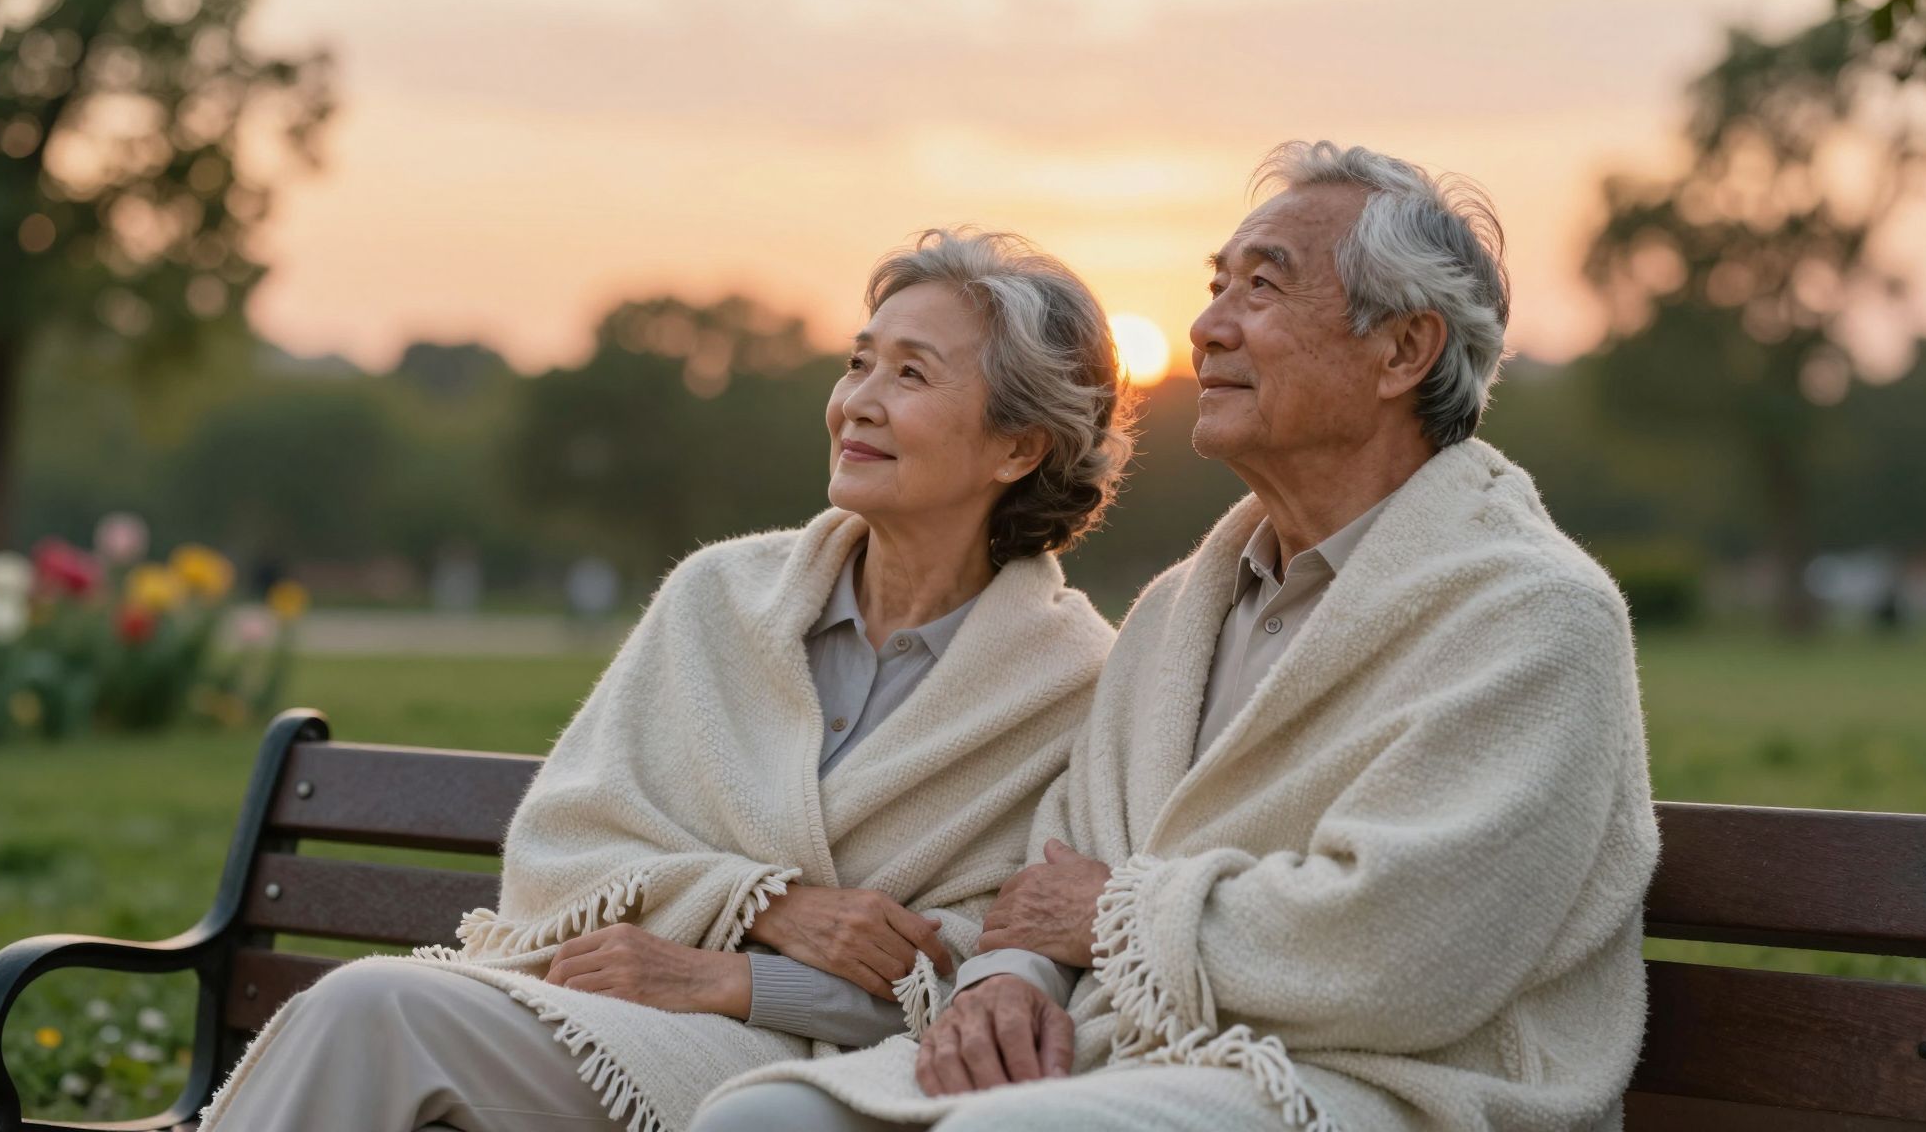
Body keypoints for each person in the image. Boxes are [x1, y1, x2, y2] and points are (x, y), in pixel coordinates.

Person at [694, 141, 1659, 1132]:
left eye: (1262, 287)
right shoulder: (1173, 615)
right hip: (1133, 1054)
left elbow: (1406, 950)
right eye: (1215, 286)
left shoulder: (1532, 617)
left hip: (1386, 1088)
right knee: (760, 1122)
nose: (1207, 327)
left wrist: (1113, 915)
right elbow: (1056, 869)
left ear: (1403, 351)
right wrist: (1005, 984)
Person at [197, 228, 1133, 1132]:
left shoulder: (1076, 685)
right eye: (859, 363)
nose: (858, 402)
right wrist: (769, 905)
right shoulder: (717, 596)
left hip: (843, 1082)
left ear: (1018, 448)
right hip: (615, 1025)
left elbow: (999, 971)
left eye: (911, 374)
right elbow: (562, 848)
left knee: (376, 1012)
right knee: (368, 1007)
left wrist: (733, 978)